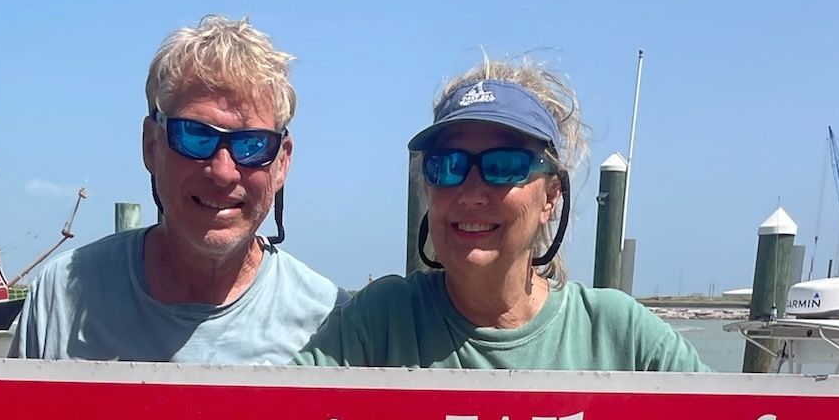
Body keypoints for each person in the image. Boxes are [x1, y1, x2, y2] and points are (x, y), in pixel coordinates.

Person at [300, 57, 705, 371]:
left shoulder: (619, 335)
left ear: (551, 196)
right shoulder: (379, 323)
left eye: (505, 165)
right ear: (428, 188)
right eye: (448, 165)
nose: (472, 192)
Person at [11, 15, 342, 365]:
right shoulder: (58, 297)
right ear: (152, 146)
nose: (223, 171)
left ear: (281, 163)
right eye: (195, 135)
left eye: (252, 145)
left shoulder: (329, 323)